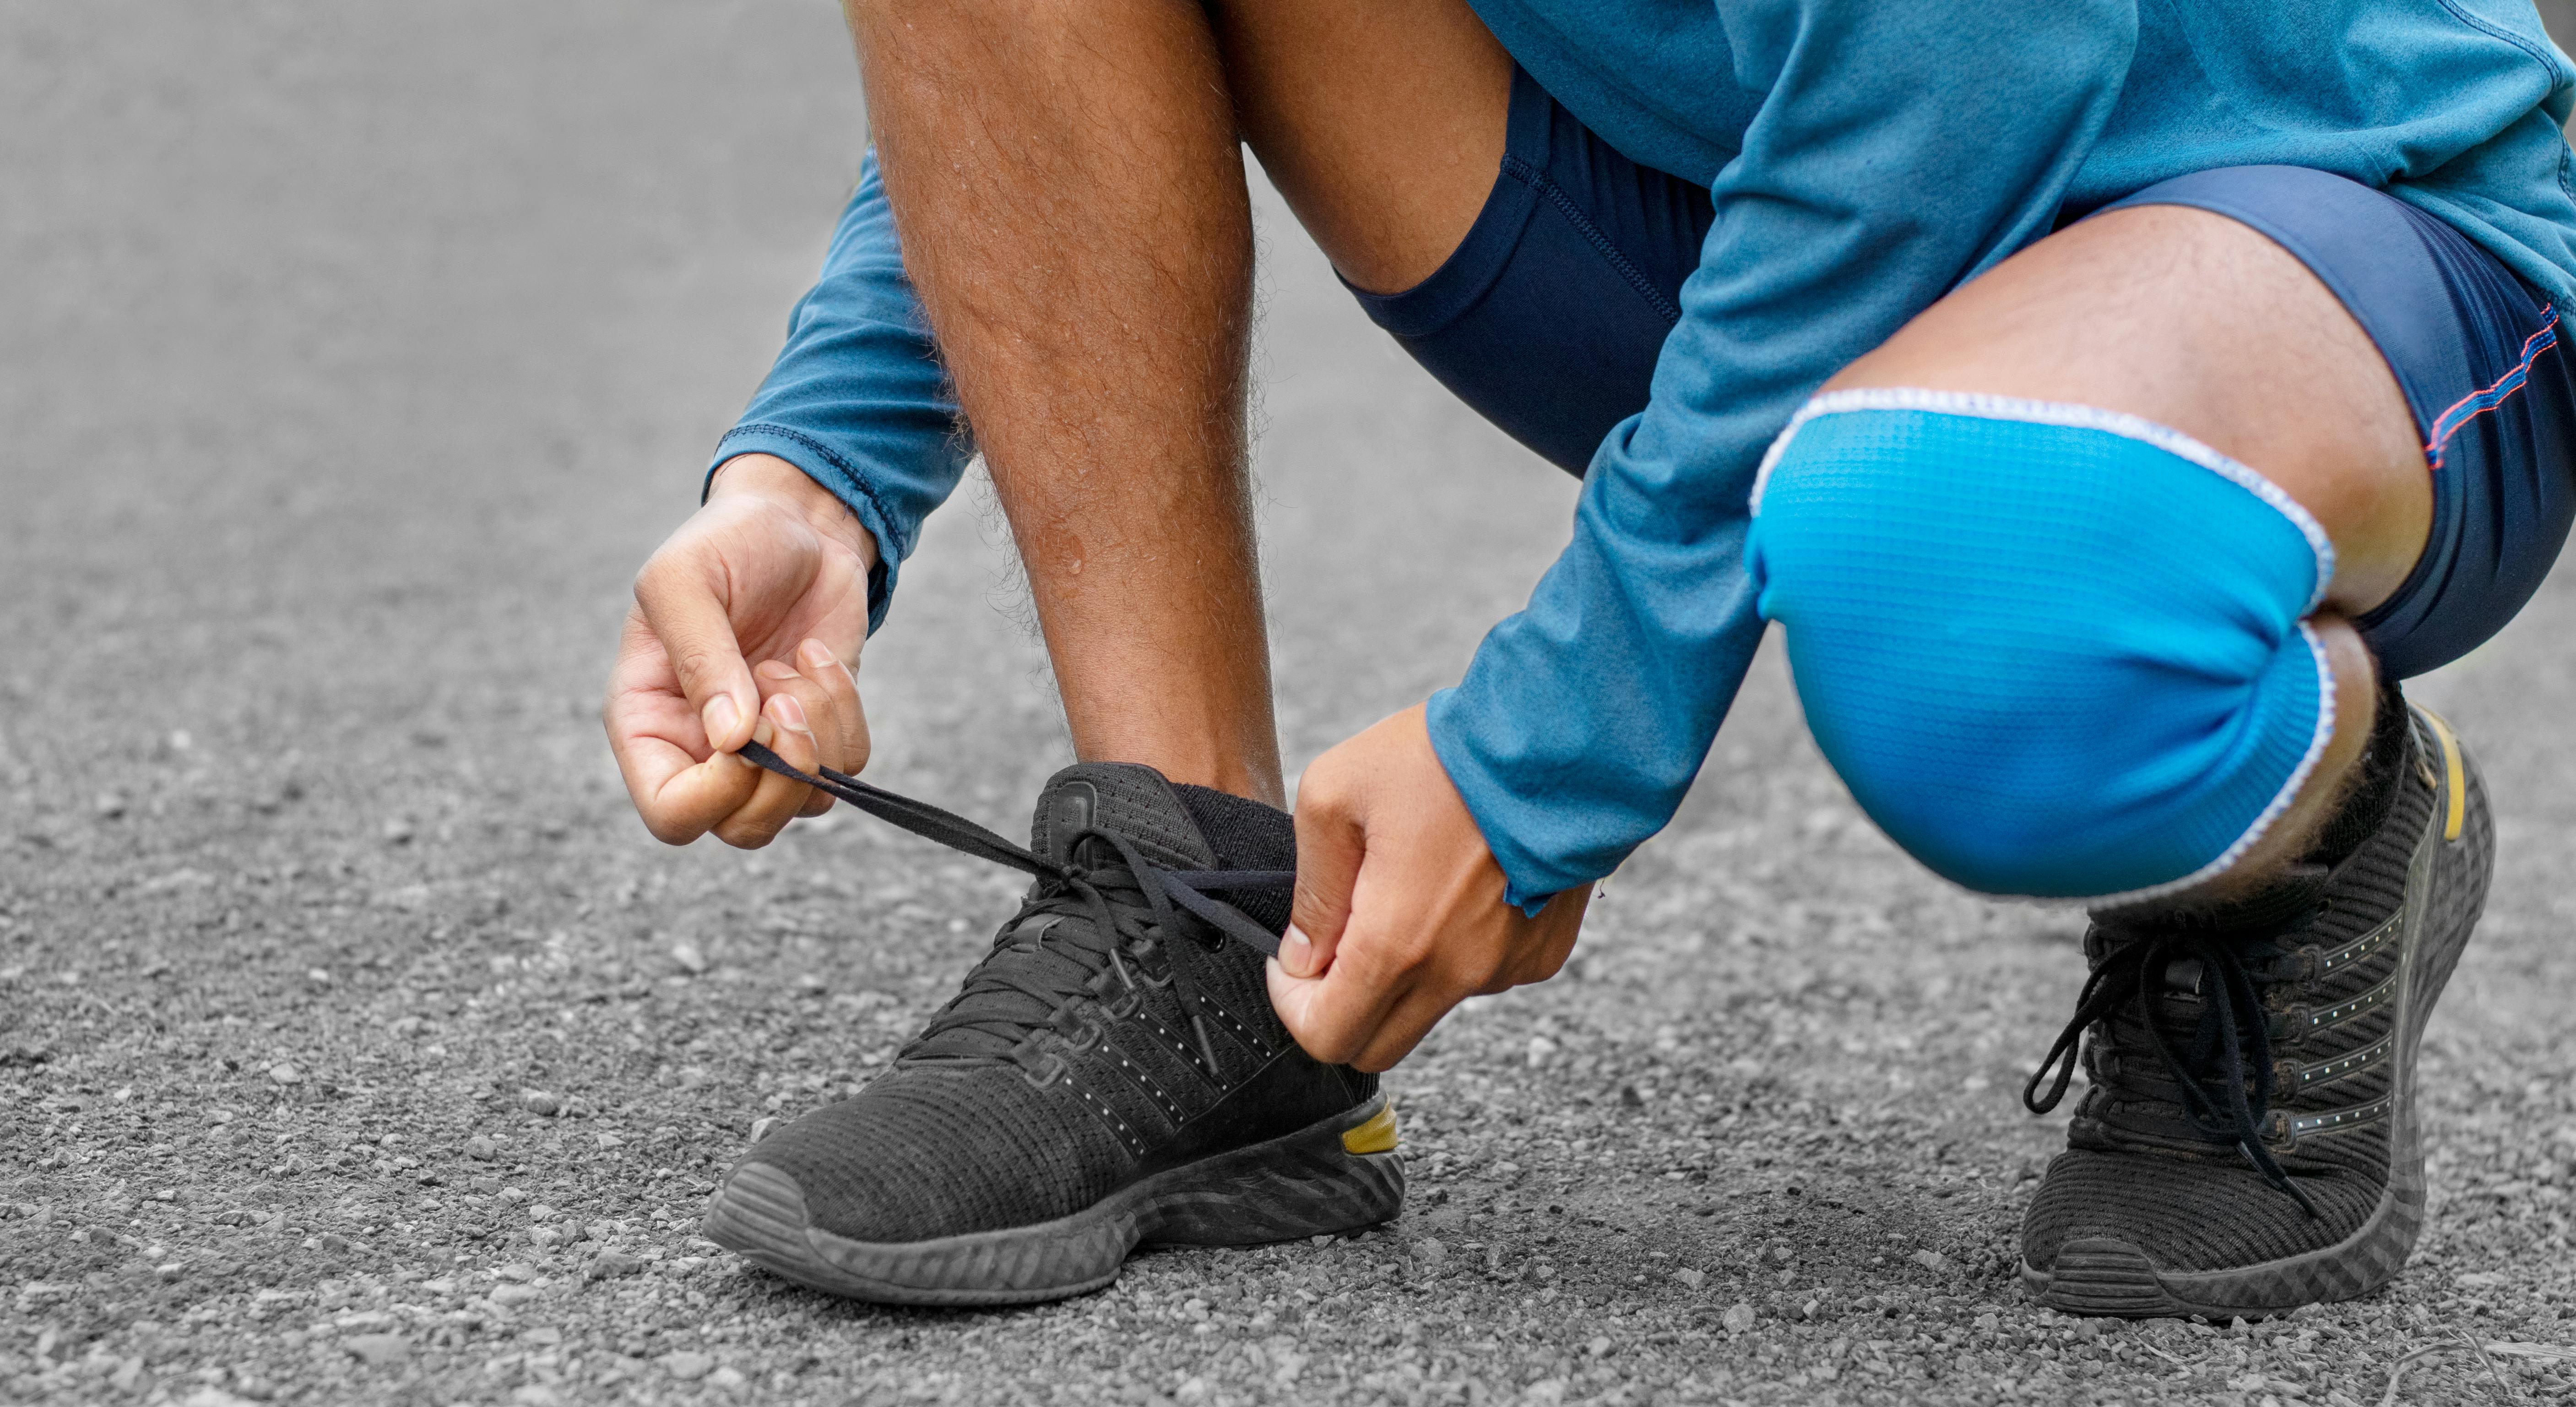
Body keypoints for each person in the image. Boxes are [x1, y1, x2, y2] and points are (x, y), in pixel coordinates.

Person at [604, 0, 2576, 1316]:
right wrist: (827, 466)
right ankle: (1187, 894)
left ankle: (2312, 834)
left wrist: (1536, 759)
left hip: (2319, 217)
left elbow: (1965, 60)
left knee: (1967, 571)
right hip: (1748, 197)